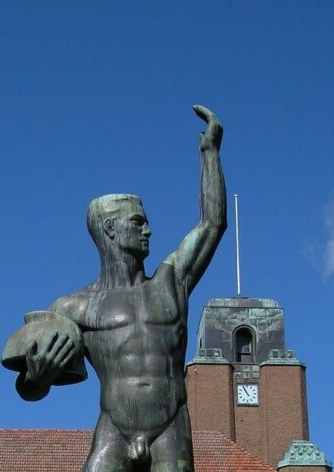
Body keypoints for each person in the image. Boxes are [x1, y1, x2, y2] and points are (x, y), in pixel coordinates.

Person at [15, 105, 227, 472]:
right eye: (138, 223)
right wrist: (37, 375)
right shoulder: (73, 308)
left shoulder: (170, 282)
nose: (149, 230)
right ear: (110, 230)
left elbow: (212, 224)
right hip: (114, 428)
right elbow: (30, 390)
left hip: (170, 428)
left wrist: (210, 154)